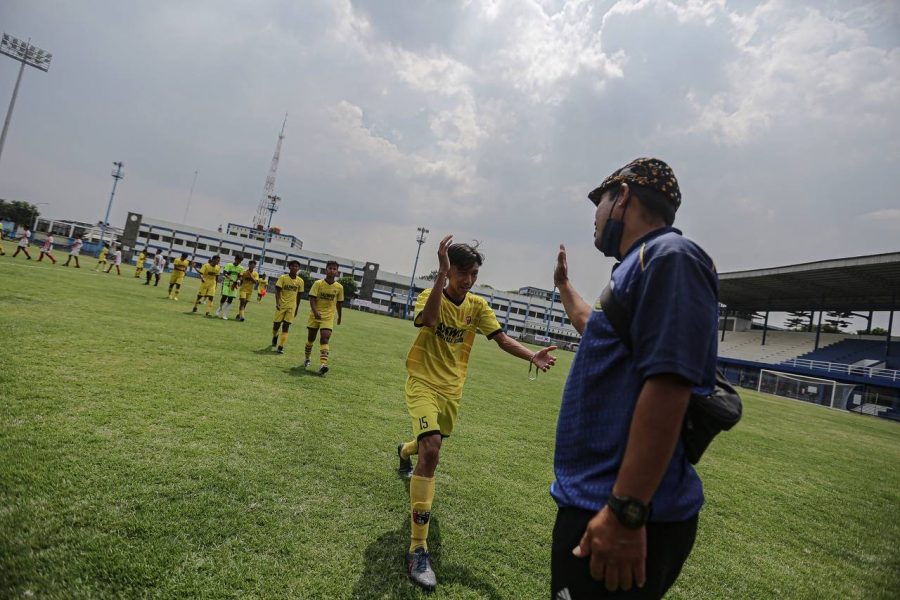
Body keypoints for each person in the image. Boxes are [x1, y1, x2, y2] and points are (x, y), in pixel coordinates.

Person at [549, 158, 719, 600]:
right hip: (598, 503)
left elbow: (669, 386)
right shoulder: (640, 263)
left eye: (600, 202)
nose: (595, 215)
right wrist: (564, 286)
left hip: (622, 513)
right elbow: (597, 329)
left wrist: (626, 511)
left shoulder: (670, 258)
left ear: (622, 196)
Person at [397, 236, 557, 592]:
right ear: (449, 270)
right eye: (463, 273)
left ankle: (405, 451)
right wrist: (440, 275)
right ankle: (418, 548)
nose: (469, 280)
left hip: (452, 389)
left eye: (474, 274)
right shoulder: (428, 296)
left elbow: (501, 339)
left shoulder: (478, 306)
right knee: (432, 451)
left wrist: (531, 355)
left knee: (427, 446)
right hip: (422, 381)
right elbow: (429, 320)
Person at [303, 260, 344, 375]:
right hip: (315, 315)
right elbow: (312, 299)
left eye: (334, 269)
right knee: (311, 339)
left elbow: (339, 303)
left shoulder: (339, 287)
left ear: (337, 272)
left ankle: (323, 365)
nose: (332, 270)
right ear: (326, 270)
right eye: (330, 268)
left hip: (328, 317)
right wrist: (315, 311)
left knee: (325, 338)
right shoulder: (318, 283)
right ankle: (307, 358)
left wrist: (339, 317)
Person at [271, 260, 304, 354]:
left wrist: (297, 308)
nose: (295, 268)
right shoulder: (283, 278)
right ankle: (275, 336)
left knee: (286, 326)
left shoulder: (300, 281)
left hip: (291, 307)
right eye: (293, 266)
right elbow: (277, 291)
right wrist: (277, 302)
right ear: (289, 267)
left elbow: (299, 296)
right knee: (276, 325)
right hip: (281, 305)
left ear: (298, 268)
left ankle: (281, 346)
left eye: (297, 266)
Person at [215, 255, 244, 320]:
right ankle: (220, 308)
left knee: (230, 299)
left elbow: (240, 276)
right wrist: (231, 279)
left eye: (240, 261)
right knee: (224, 296)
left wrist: (239, 280)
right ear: (235, 259)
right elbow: (225, 273)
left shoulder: (241, 268)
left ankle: (225, 314)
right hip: (226, 283)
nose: (238, 262)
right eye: (238, 260)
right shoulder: (229, 265)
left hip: (234, 285)